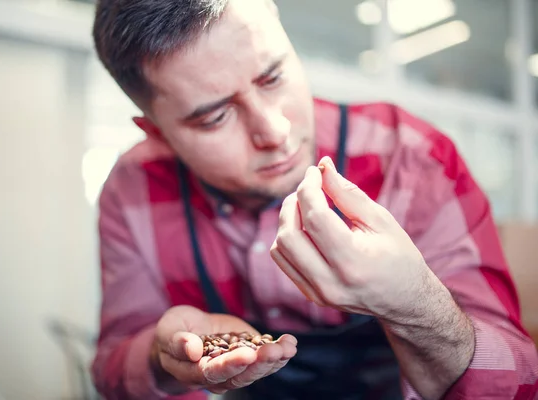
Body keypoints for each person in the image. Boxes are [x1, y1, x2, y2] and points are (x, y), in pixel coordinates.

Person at [89, 0, 538, 399]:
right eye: (216, 117)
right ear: (156, 132)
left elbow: (519, 382)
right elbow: (111, 367)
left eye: (273, 76)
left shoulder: (414, 159)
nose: (275, 132)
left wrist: (414, 306)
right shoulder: (133, 190)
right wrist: (159, 357)